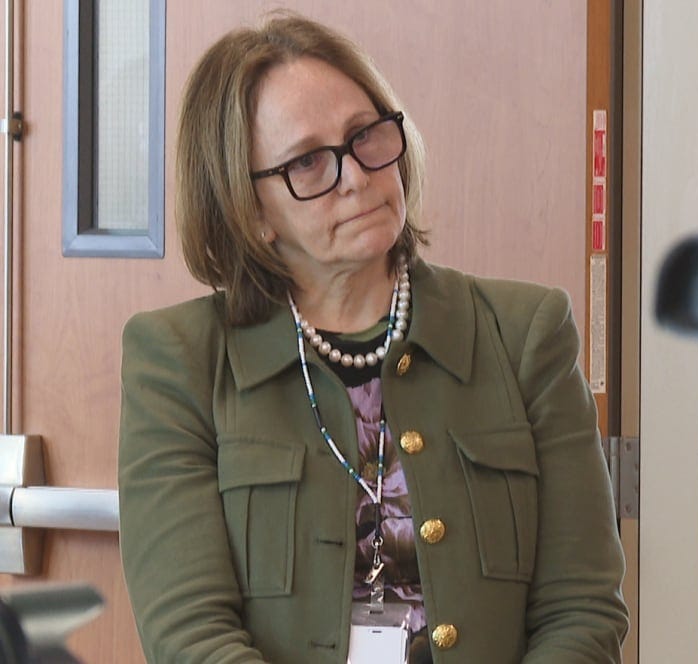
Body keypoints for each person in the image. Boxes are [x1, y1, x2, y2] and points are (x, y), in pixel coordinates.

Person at [117, 12, 628, 663]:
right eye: (307, 162)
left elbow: (581, 609)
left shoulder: (526, 334)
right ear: (250, 212)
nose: (357, 176)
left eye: (366, 137)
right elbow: (189, 634)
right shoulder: (181, 362)